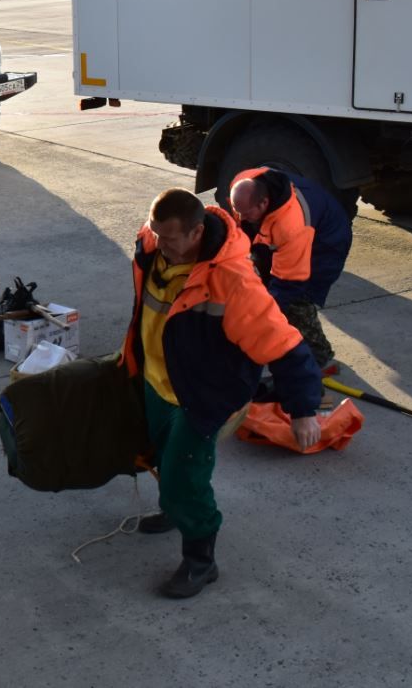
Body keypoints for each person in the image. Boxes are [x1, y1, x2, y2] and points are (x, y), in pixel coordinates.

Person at [120, 188, 321, 598]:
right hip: (158, 381)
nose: (161, 245)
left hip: (202, 396)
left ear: (196, 233)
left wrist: (303, 410)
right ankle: (172, 509)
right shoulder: (153, 244)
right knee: (160, 455)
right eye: (156, 234)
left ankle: (201, 560)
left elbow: (282, 343)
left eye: (171, 239)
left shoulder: (232, 281)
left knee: (185, 478)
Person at [229, 167, 353, 370]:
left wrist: (259, 313)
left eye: (246, 213)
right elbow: (238, 229)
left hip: (326, 242)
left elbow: (288, 283)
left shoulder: (292, 226)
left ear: (264, 203)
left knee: (297, 301)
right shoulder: (242, 183)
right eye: (238, 211)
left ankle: (320, 359)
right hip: (288, 229)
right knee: (260, 283)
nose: (241, 218)